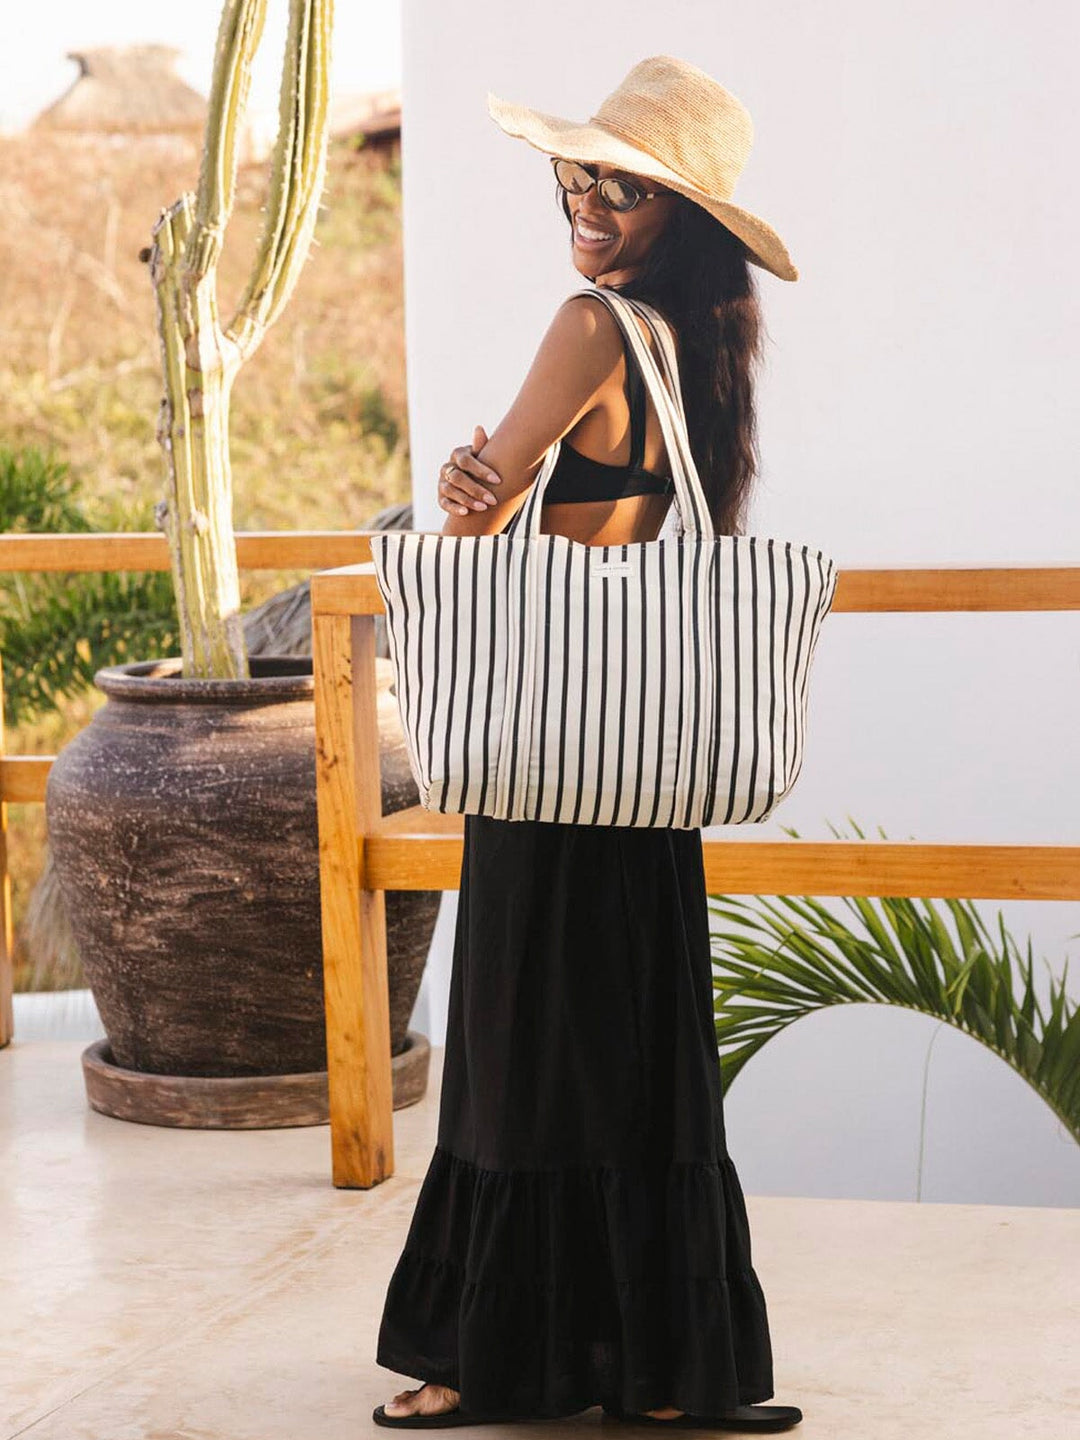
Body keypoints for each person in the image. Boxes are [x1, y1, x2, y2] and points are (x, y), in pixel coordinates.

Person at [373, 55, 803, 1430]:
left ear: (677, 212)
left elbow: (479, 525)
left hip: (547, 757)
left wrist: (465, 489)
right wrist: (491, 484)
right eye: (578, 176)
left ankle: (481, 1355)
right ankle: (663, 1367)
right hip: (641, 765)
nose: (589, 201)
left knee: (512, 1046)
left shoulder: (591, 325)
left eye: (622, 185)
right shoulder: (703, 354)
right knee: (634, 1056)